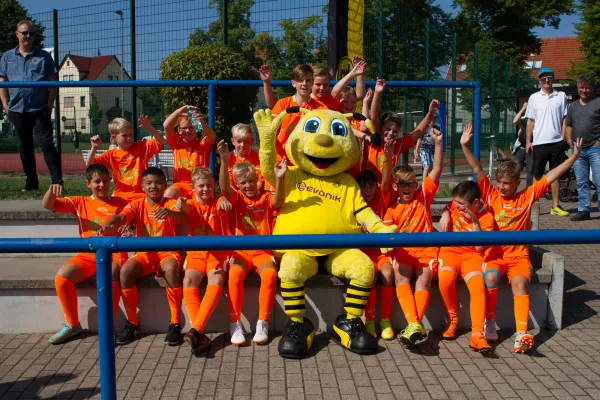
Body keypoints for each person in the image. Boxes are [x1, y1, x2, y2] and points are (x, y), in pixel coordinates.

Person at [460, 123, 582, 353]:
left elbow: (550, 176)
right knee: (491, 279)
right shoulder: (490, 193)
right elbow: (476, 168)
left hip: (518, 256)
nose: (502, 187)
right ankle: (489, 322)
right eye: (500, 182)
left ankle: (522, 333)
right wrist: (464, 146)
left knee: (520, 285)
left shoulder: (526, 197)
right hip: (494, 254)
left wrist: (574, 156)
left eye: (507, 183)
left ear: (517, 183)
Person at [42, 164, 128, 344]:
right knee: (62, 278)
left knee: (111, 272)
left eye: (106, 181)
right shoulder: (80, 202)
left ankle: (107, 327)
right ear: (88, 183)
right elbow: (48, 205)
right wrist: (52, 191)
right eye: (97, 182)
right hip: (87, 255)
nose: (103, 185)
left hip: (114, 253)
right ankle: (73, 325)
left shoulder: (121, 202)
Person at [100, 167, 185, 346]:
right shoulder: (137, 204)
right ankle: (133, 323)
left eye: (158, 183)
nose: (154, 186)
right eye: (149, 183)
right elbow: (123, 216)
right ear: (142, 186)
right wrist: (110, 223)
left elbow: (183, 218)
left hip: (167, 252)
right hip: (144, 254)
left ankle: (175, 323)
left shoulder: (170, 202)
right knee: (126, 271)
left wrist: (170, 213)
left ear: (165, 185)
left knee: (171, 268)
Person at [379, 125, 443, 347]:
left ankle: (413, 324)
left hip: (426, 249)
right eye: (403, 184)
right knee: (401, 275)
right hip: (404, 251)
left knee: (424, 277)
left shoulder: (423, 196)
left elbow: (436, 170)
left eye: (411, 184)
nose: (408, 188)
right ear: (395, 187)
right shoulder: (390, 210)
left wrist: (438, 144)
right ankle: (414, 323)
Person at [218, 140, 285, 345]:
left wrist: (280, 179)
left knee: (270, 273)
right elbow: (223, 187)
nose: (248, 186)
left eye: (251, 181)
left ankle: (262, 323)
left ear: (257, 179)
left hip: (263, 251)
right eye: (243, 183)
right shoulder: (237, 198)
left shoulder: (265, 198)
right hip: (241, 252)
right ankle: (235, 324)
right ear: (237, 184)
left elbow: (278, 202)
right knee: (235, 274)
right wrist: (223, 159)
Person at [437, 180, 500, 353]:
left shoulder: (486, 218)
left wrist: (475, 223)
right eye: (455, 202)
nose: (457, 206)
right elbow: (448, 207)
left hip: (472, 255)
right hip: (450, 251)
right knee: (445, 279)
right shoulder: (454, 206)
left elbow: (480, 247)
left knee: (478, 286)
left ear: (476, 203)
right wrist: (445, 214)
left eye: (462, 204)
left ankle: (477, 334)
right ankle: (453, 320)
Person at [0, 20, 62, 193]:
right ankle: (31, 183)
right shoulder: (7, 57)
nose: (28, 36)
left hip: (39, 108)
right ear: (17, 34)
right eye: (25, 33)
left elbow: (53, 83)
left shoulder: (43, 56)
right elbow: (2, 82)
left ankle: (57, 182)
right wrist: (6, 105)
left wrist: (49, 105)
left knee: (46, 145)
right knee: (24, 147)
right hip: (17, 109)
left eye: (31, 33)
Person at [178, 167, 231, 354]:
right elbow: (185, 209)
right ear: (193, 188)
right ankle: (197, 332)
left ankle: (196, 330)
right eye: (201, 186)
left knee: (216, 279)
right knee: (188, 280)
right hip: (196, 253)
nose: (205, 189)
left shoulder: (219, 201)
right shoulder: (191, 203)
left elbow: (224, 202)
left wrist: (224, 199)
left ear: (214, 186)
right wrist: (180, 204)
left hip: (218, 253)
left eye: (209, 185)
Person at [362, 77, 439, 182]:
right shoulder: (373, 140)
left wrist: (430, 114)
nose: (391, 133)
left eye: (394, 131)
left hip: (386, 193)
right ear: (380, 128)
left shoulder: (397, 145)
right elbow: (374, 117)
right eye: (387, 129)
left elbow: (416, 134)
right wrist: (377, 93)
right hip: (368, 189)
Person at [359, 142, 394, 339]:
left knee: (388, 273)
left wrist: (388, 157)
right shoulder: (355, 202)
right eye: (364, 186)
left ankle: (386, 320)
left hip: (381, 251)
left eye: (371, 186)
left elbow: (387, 180)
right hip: (362, 253)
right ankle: (370, 320)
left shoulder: (381, 198)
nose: (368, 190)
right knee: (370, 276)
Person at [87, 117, 165, 201]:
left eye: (130, 134)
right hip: (120, 196)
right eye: (124, 135)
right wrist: (94, 148)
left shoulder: (141, 147)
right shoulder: (111, 154)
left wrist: (149, 127)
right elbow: (90, 165)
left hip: (141, 196)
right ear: (114, 138)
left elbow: (161, 141)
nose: (129, 138)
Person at [525, 67, 569, 216]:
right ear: (539, 81)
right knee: (537, 174)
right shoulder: (534, 98)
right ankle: (532, 204)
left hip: (557, 142)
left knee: (555, 173)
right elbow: (530, 121)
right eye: (543, 78)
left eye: (549, 78)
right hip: (539, 142)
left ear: (553, 79)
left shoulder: (561, 96)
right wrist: (528, 141)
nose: (546, 80)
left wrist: (563, 137)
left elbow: (565, 118)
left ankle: (556, 205)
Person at [270, 64, 325, 162]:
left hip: (308, 159)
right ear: (293, 83)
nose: (304, 83)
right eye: (300, 80)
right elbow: (271, 130)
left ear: (312, 82)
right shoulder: (282, 104)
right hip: (282, 158)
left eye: (308, 80)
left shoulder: (320, 108)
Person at [564, 73, 600, 221]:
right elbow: (568, 125)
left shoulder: (598, 103)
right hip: (577, 150)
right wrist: (569, 141)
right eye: (582, 87)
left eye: (588, 88)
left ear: (592, 88)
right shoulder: (572, 106)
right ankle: (583, 210)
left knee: (599, 179)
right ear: (578, 88)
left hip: (595, 147)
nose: (585, 90)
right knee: (581, 181)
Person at [162, 105, 216, 199]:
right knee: (168, 194)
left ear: (197, 128)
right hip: (180, 185)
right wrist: (178, 112)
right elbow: (166, 126)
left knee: (200, 203)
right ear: (179, 130)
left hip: (200, 185)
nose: (188, 130)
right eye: (184, 128)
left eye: (191, 128)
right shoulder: (176, 143)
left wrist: (203, 124)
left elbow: (212, 137)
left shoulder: (202, 144)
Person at [227, 123, 265, 192]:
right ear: (233, 141)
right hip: (236, 195)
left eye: (246, 142)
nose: (242, 145)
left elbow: (260, 183)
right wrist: (239, 197)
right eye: (239, 141)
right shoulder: (228, 158)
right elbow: (229, 184)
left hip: (254, 193)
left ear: (251, 141)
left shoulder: (258, 157)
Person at [511, 102, 533, 186]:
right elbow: (515, 120)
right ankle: (513, 189)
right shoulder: (524, 119)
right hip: (521, 147)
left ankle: (529, 191)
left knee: (530, 170)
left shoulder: (537, 118)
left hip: (532, 147)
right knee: (515, 168)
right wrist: (523, 109)